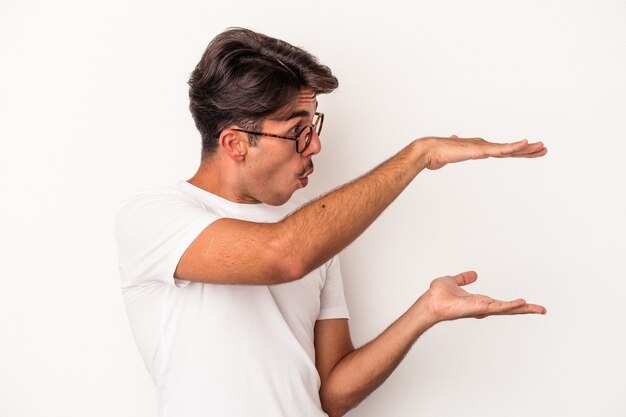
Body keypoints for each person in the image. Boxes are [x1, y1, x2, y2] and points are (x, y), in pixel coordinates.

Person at [115, 27, 547, 417]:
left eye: (314, 124)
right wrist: (418, 155)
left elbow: (331, 394)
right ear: (235, 143)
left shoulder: (312, 237)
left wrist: (426, 311)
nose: (316, 144)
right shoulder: (154, 218)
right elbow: (283, 255)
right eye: (297, 129)